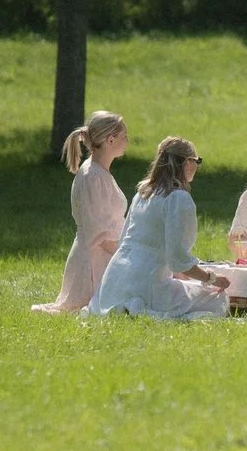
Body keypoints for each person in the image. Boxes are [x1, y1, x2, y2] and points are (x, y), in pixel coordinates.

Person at [86, 138, 230, 319]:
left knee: (187, 288)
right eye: (196, 161)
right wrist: (212, 278)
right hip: (148, 285)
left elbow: (124, 239)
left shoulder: (143, 192)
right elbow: (178, 260)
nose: (196, 166)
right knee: (218, 297)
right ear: (187, 163)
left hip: (115, 281)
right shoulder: (178, 198)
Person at [37, 110, 128, 313]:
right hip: (94, 263)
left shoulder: (99, 173)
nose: (127, 142)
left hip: (105, 256)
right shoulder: (92, 176)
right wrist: (127, 255)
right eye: (124, 137)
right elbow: (100, 233)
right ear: (110, 140)